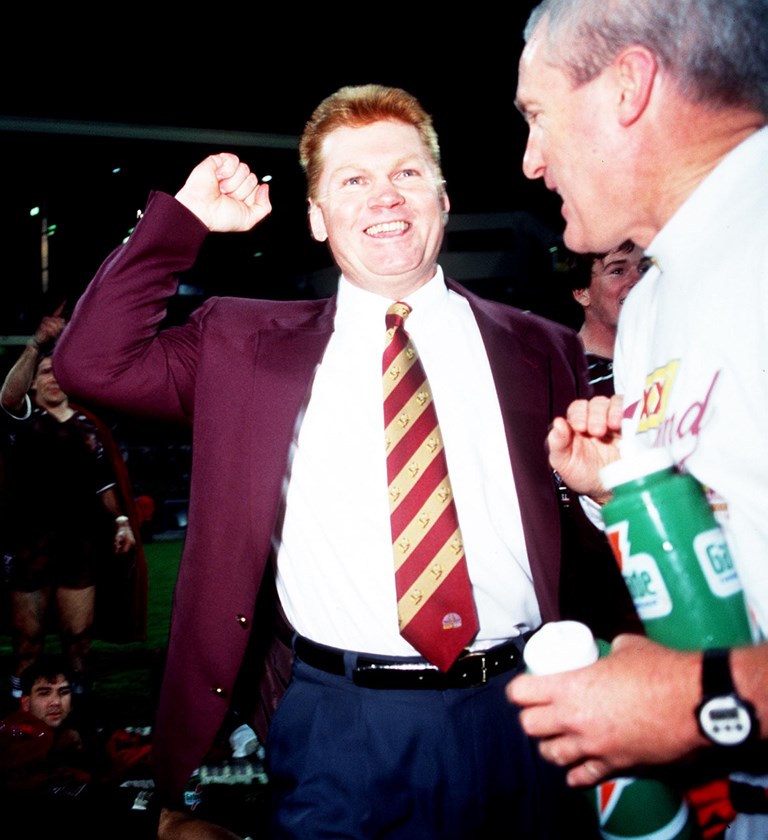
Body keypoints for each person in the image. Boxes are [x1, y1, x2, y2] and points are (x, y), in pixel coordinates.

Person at [53, 83, 639, 838]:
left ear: (443, 195)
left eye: (405, 173)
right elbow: (91, 364)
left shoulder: (541, 346)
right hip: (341, 723)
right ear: (316, 216)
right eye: (352, 181)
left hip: (527, 705)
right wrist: (186, 222)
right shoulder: (242, 343)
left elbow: (584, 552)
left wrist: (603, 496)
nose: (383, 197)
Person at [508, 0, 768, 835]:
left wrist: (699, 699)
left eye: (537, 116)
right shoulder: (651, 301)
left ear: (628, 85)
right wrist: (620, 482)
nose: (530, 161)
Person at [0, 309, 146, 699]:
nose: (52, 379)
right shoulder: (22, 417)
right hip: (28, 544)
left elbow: (105, 485)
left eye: (57, 372)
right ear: (33, 384)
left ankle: (79, 717)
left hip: (79, 546)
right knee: (27, 645)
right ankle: (23, 722)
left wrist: (121, 521)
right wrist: (36, 344)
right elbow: (8, 396)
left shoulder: (89, 428)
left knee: (78, 643)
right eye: (45, 373)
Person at [564, 240, 651, 396]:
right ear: (581, 292)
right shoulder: (565, 374)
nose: (638, 280)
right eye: (617, 271)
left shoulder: (665, 356)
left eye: (644, 268)